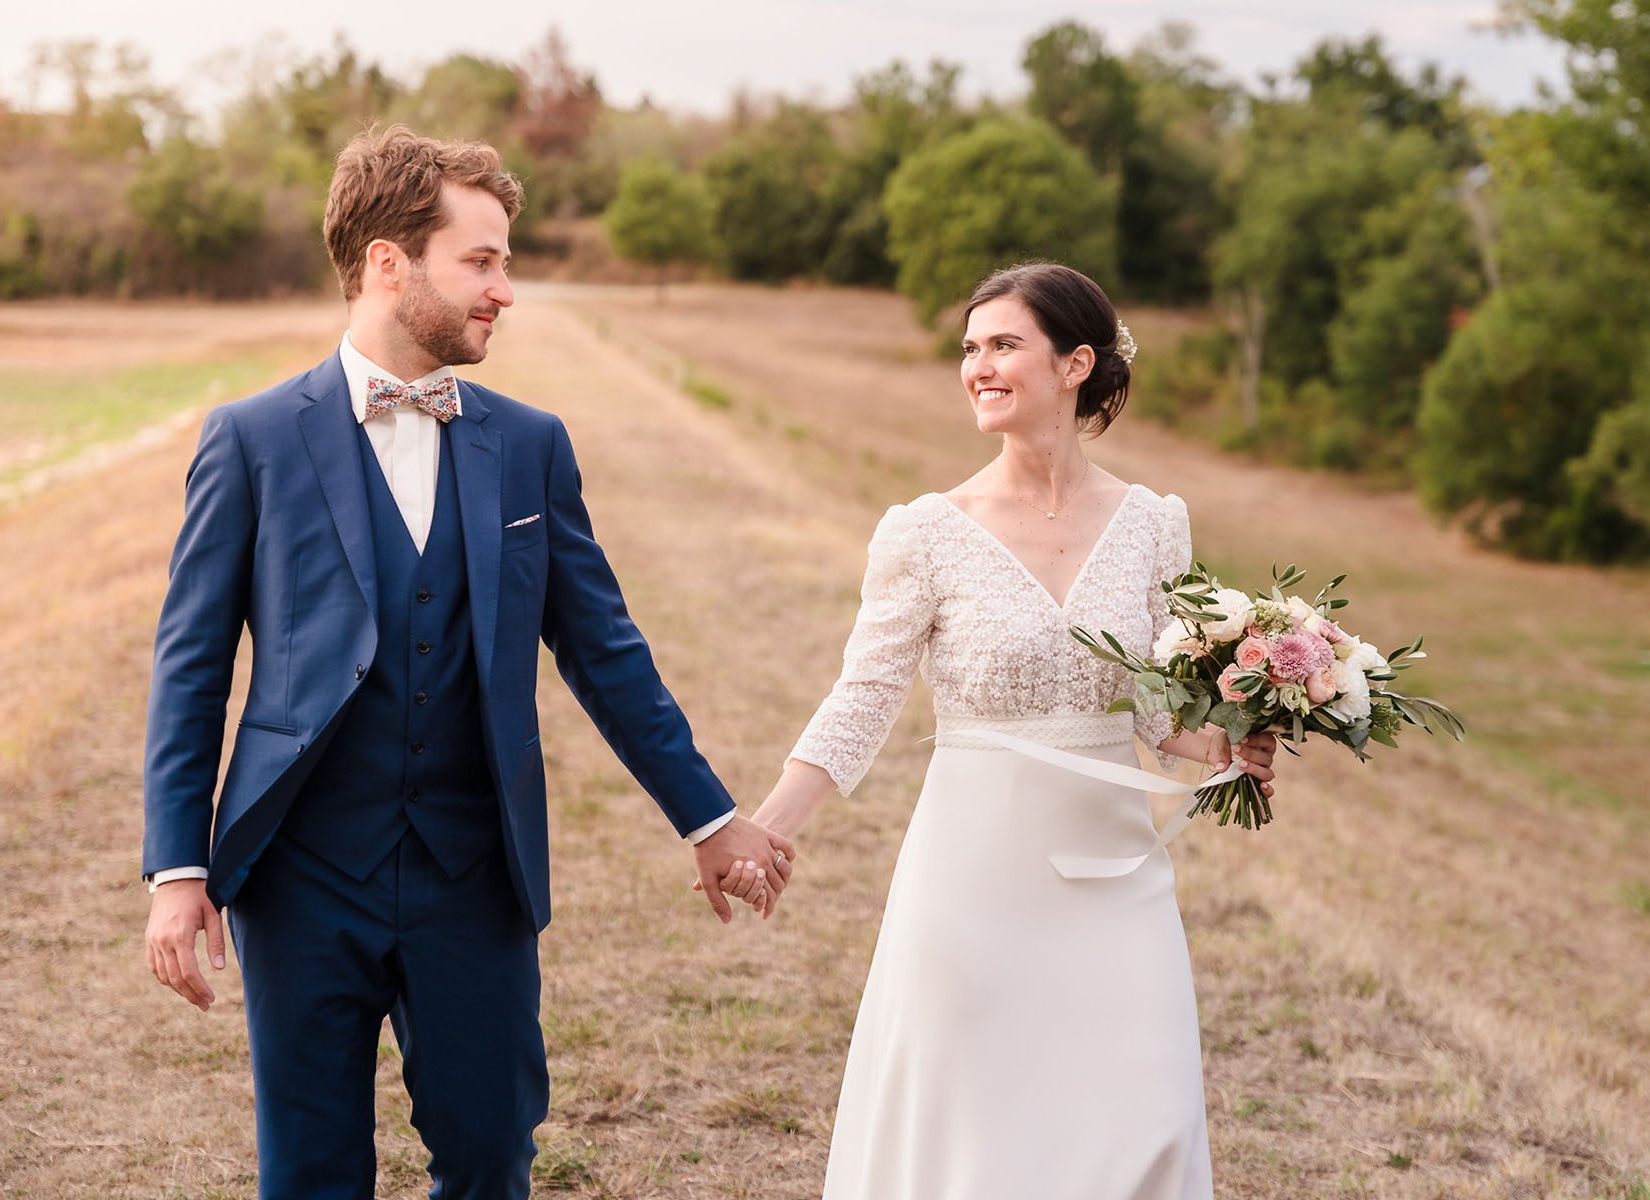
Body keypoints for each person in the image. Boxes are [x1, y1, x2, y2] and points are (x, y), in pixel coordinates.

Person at [139, 125, 795, 1200]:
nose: (505, 290)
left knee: (492, 1160)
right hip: (300, 877)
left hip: (474, 874)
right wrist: (178, 871)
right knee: (310, 1174)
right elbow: (190, 667)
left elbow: (605, 653)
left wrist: (711, 818)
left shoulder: (529, 443)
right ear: (389, 264)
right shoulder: (250, 439)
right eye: (481, 261)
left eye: (504, 261)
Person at [740, 263, 1278, 1198]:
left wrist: (1235, 742)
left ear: (1075, 365)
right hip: (973, 872)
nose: (977, 366)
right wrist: (765, 828)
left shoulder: (1154, 524)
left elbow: (1161, 713)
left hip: (1115, 872)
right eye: (969, 348)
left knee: (1141, 1108)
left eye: (1002, 345)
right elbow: (862, 698)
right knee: (976, 1123)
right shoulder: (926, 532)